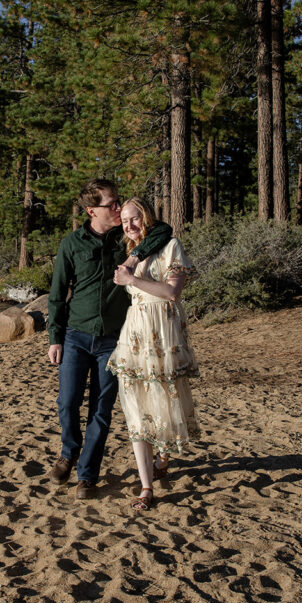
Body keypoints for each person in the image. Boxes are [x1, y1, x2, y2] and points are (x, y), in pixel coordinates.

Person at [47, 179, 172, 499]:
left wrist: (132, 259)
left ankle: (87, 476)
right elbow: (58, 295)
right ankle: (68, 454)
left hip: (115, 340)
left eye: (119, 203)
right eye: (112, 204)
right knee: (67, 402)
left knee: (101, 411)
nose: (119, 209)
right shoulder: (71, 244)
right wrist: (55, 338)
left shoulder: (127, 239)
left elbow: (164, 230)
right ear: (92, 211)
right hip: (75, 335)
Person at [107, 197, 199, 510]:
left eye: (135, 219)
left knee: (163, 400)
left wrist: (133, 279)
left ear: (147, 218)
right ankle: (146, 487)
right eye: (125, 221)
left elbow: (173, 292)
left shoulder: (171, 245)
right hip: (134, 332)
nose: (130, 226)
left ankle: (163, 455)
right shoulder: (130, 253)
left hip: (164, 331)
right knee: (134, 404)